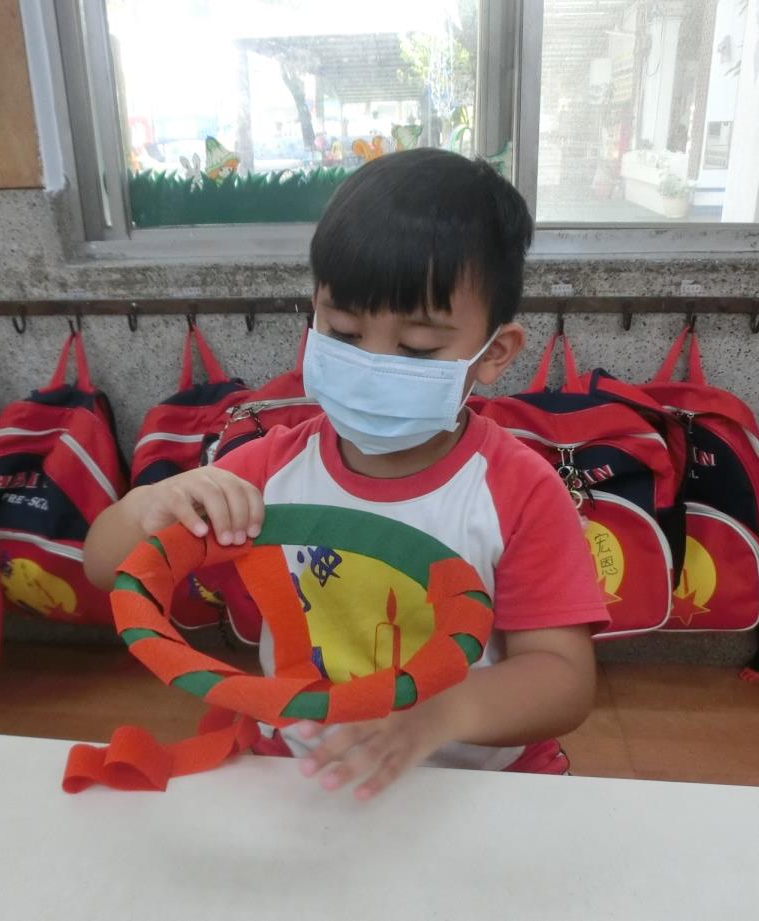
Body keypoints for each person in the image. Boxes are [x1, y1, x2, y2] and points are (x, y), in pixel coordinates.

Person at [86, 148, 608, 800]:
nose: (374, 364)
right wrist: (148, 505)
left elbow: (563, 677)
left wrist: (435, 715)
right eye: (343, 332)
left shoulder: (516, 490)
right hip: (307, 771)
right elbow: (105, 567)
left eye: (417, 347)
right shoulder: (269, 470)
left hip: (478, 783)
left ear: (494, 352)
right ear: (315, 312)